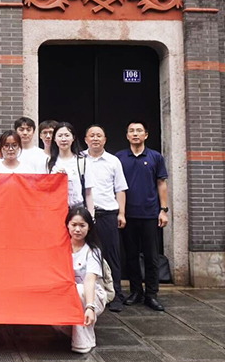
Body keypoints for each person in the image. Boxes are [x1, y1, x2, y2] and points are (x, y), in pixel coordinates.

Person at [116, 120, 169, 312]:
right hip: (128, 215)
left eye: (139, 130)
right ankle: (136, 291)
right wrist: (120, 212)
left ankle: (151, 294)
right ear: (127, 135)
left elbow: (161, 183)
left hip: (150, 214)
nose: (135, 134)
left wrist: (163, 210)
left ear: (146, 135)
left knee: (151, 256)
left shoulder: (155, 157)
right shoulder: (119, 158)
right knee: (130, 255)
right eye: (131, 131)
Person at [83, 124, 128, 313]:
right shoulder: (79, 159)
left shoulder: (113, 161)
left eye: (99, 135)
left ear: (105, 139)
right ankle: (88, 295)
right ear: (86, 139)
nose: (95, 138)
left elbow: (120, 189)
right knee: (85, 255)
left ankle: (116, 295)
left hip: (108, 214)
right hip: (85, 215)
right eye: (92, 135)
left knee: (111, 255)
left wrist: (121, 213)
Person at [65, 207, 107, 354]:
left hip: (91, 296)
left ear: (89, 227)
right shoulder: (61, 248)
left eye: (82, 225)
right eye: (74, 225)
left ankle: (82, 342)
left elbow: (89, 280)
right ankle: (77, 331)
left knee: (78, 289)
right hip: (68, 295)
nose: (77, 229)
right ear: (67, 225)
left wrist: (90, 306)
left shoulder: (93, 251)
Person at [47, 122, 95, 210]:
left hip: (77, 209)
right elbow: (44, 189)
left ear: (73, 138)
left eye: (67, 135)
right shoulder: (48, 162)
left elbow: (88, 193)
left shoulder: (82, 161)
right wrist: (55, 178)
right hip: (55, 209)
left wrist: (91, 215)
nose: (63, 139)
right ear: (54, 139)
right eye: (60, 136)